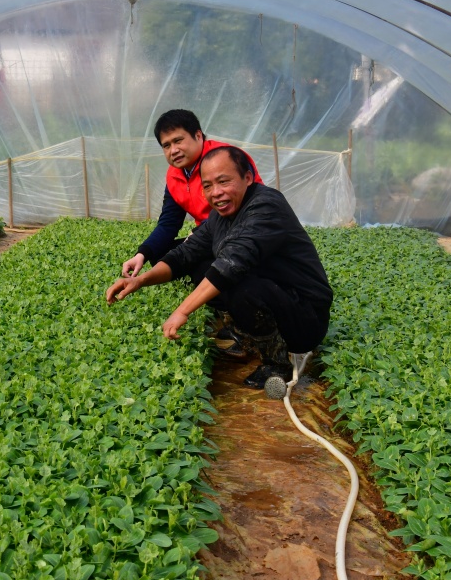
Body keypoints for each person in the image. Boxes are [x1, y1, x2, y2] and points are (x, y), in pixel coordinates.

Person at [106, 144, 332, 389]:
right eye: (207, 185)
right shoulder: (220, 215)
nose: (216, 193)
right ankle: (249, 332)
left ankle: (276, 364)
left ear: (247, 177)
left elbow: (231, 264)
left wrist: (182, 311)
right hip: (278, 294)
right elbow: (185, 254)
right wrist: (140, 280)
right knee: (201, 266)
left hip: (306, 317)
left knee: (237, 284)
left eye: (224, 182)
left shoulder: (266, 205)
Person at [119, 109, 263, 279]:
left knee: (203, 267)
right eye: (166, 145)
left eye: (178, 141)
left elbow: (246, 208)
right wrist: (141, 255)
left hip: (241, 232)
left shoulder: (226, 159)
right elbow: (168, 223)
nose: (173, 150)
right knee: (159, 254)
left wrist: (199, 234)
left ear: (198, 136)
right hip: (207, 237)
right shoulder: (174, 175)